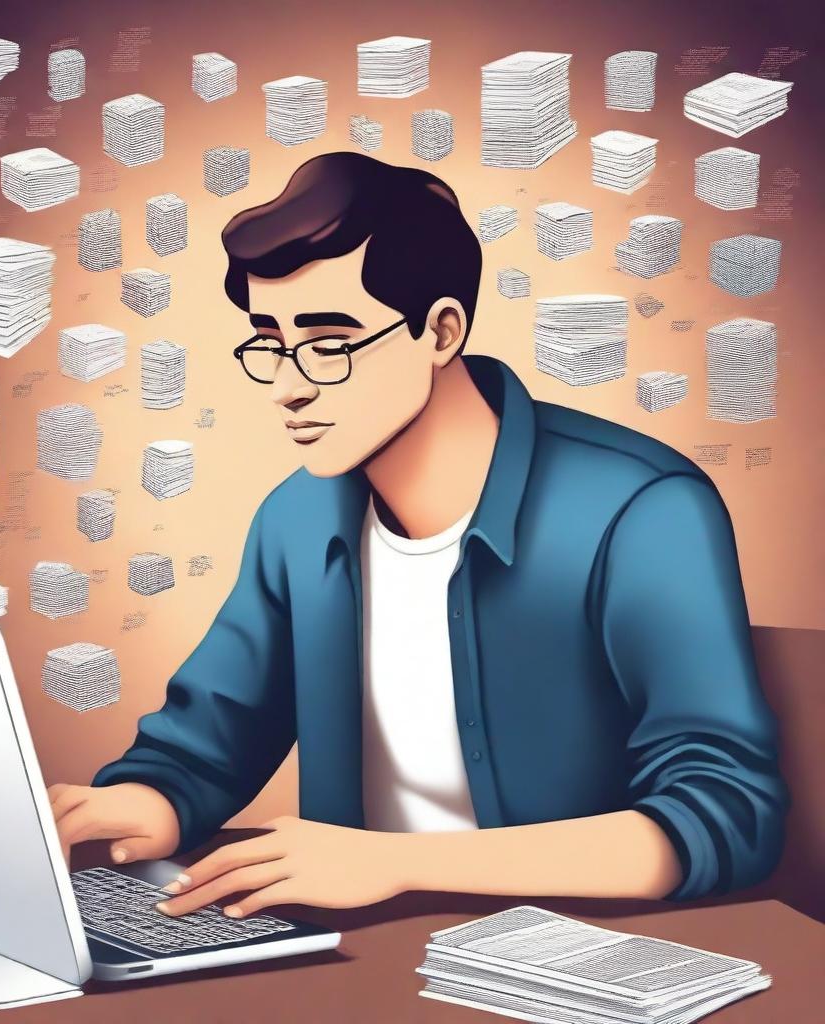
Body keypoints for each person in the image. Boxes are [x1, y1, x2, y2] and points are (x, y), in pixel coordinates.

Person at [48, 152, 788, 922]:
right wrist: (149, 803)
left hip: (580, 961)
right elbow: (209, 742)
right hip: (363, 961)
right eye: (270, 340)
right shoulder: (297, 520)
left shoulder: (641, 510)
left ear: (441, 330)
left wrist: (395, 865)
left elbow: (724, 814)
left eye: (330, 344)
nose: (289, 384)